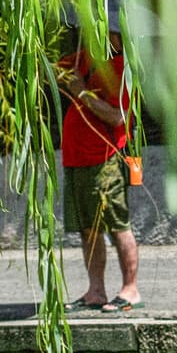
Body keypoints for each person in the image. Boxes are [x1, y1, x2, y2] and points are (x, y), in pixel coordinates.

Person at [55, 29, 141, 311]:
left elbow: (118, 117)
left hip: (104, 158)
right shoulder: (83, 59)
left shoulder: (123, 69)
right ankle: (96, 291)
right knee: (88, 229)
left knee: (117, 224)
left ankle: (130, 289)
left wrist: (81, 91)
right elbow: (51, 71)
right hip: (76, 157)